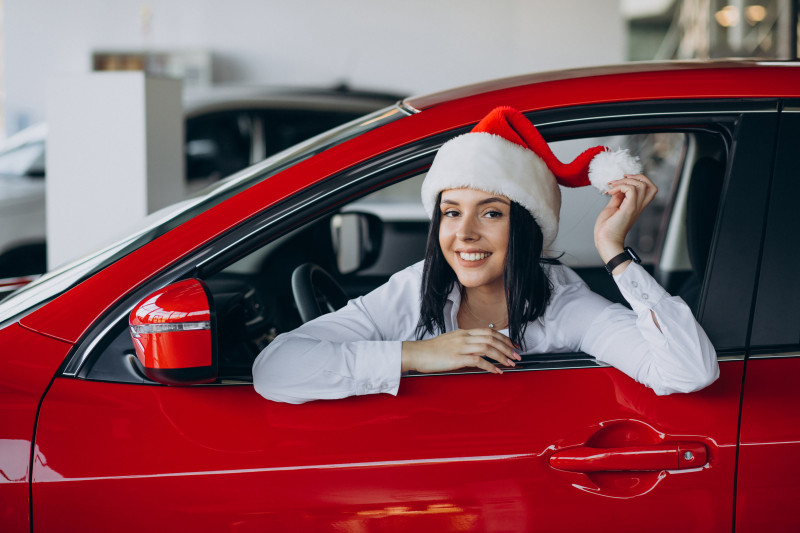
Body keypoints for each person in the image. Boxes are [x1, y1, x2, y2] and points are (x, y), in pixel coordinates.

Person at [252, 106, 719, 404]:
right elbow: (275, 370)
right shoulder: (415, 288)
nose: (465, 234)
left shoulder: (564, 305)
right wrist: (417, 354)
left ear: (526, 229)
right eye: (451, 213)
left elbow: (688, 371)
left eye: (491, 214)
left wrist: (613, 252)